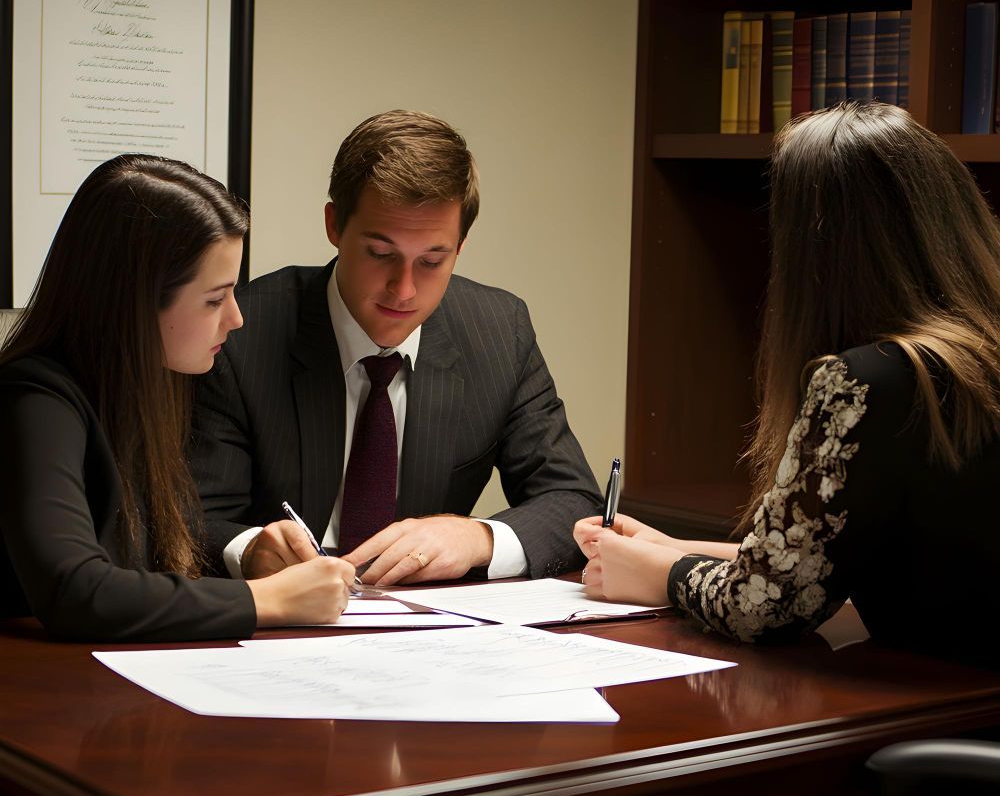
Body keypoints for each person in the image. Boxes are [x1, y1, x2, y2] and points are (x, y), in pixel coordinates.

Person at [575, 103, 1000, 663]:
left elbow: (767, 607)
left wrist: (664, 575)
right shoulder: (971, 357)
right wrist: (672, 549)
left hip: (943, 707)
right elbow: (818, 561)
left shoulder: (870, 379)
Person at [191, 109, 600, 587]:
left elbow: (576, 503)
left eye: (432, 260)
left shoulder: (499, 332)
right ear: (334, 227)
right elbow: (187, 516)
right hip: (274, 623)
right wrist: (250, 550)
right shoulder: (242, 330)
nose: (403, 289)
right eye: (380, 254)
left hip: (433, 631)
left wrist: (479, 538)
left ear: (460, 246)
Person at [0, 156, 355, 641]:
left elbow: (146, 531)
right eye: (214, 299)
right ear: (135, 301)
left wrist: (251, 551)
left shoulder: (144, 384)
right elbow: (76, 589)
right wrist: (266, 600)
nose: (235, 318)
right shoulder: (34, 402)